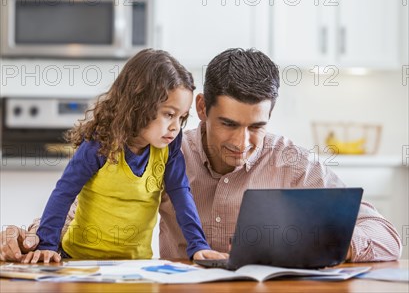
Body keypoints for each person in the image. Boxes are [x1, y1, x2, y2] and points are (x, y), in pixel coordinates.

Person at [1, 49, 401, 263]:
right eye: (229, 124)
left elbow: (387, 238)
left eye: (256, 127)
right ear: (203, 107)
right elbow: (89, 209)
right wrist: (31, 237)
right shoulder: (168, 150)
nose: (243, 142)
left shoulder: (292, 163)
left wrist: (335, 241)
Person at [7, 49, 226, 264]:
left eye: (182, 117)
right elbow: (64, 192)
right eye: (169, 114)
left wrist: (198, 246)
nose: (175, 127)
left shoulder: (169, 148)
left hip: (134, 265)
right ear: (139, 105)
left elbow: (181, 194)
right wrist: (47, 244)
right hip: (78, 259)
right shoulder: (100, 144)